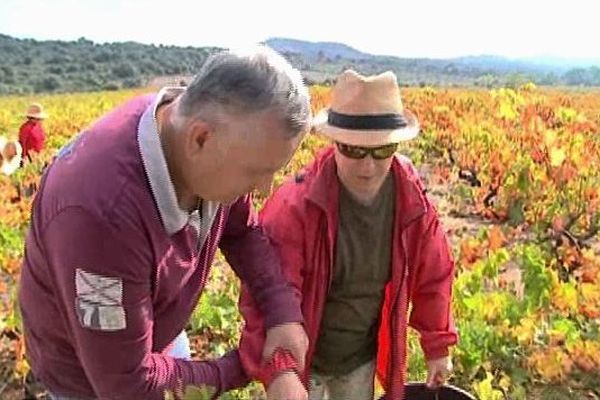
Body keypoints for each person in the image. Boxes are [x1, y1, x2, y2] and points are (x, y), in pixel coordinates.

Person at [18, 45, 311, 400]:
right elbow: (127, 385)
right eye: (257, 172)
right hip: (90, 380)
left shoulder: (198, 139)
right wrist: (244, 366)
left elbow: (242, 231)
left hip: (155, 334)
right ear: (200, 138)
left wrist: (281, 312)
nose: (264, 189)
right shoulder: (102, 218)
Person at [239, 70, 458, 400]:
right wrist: (282, 369)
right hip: (304, 359)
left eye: (382, 151)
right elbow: (270, 293)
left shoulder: (412, 201)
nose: (367, 166)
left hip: (360, 358)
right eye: (354, 150)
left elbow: (435, 273)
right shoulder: (295, 206)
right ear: (335, 142)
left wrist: (438, 345)